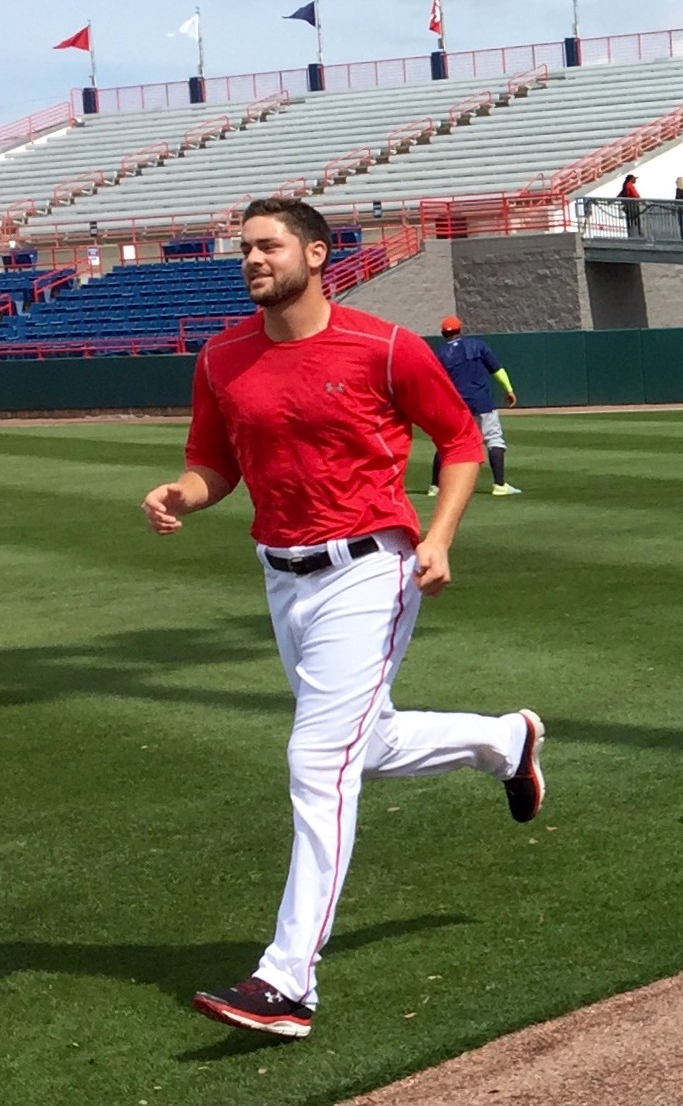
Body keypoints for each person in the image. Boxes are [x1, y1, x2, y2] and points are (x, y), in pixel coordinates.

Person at [141, 198, 545, 1040]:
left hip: (371, 567)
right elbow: (213, 463)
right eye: (243, 248)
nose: (252, 258)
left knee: (318, 755)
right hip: (282, 577)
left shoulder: (384, 346)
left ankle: (289, 978)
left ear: (317, 254)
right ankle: (507, 741)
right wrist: (181, 493)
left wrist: (438, 536)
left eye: (268, 245)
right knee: (369, 743)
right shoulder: (222, 357)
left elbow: (461, 439)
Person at [429, 314, 521, 497]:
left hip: (455, 405)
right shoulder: (477, 346)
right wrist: (509, 389)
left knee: (447, 444)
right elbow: (497, 369)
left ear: (443, 334)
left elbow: (434, 382)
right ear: (460, 329)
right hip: (481, 402)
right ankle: (500, 485)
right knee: (494, 439)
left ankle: (435, 487)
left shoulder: (439, 354)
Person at [618, 174, 644, 238]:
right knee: (634, 219)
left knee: (633, 219)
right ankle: (638, 233)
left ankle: (634, 232)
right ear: (631, 179)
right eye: (634, 179)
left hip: (632, 204)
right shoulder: (628, 185)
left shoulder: (627, 185)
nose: (635, 180)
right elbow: (629, 194)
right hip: (632, 204)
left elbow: (622, 193)